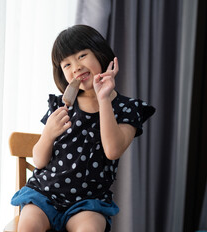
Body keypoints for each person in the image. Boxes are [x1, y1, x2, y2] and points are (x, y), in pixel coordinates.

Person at [11, 24, 155, 232]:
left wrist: (103, 98)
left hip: (88, 203)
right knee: (28, 227)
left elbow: (112, 150)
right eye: (66, 64)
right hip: (44, 194)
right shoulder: (61, 105)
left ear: (100, 54)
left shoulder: (126, 108)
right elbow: (40, 160)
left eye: (82, 56)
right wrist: (48, 134)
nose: (76, 67)